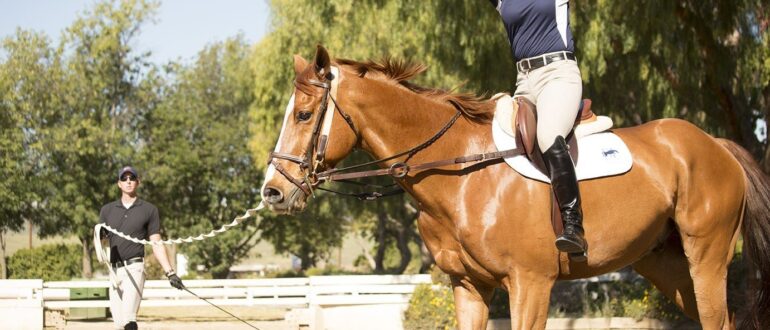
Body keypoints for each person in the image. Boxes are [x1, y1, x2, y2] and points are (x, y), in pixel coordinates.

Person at [487, 0, 587, 258]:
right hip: (524, 82)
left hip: (558, 74)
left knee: (548, 135)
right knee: (495, 137)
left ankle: (573, 224)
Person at [99, 166, 184, 330]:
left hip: (135, 267)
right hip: (114, 271)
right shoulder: (107, 210)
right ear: (119, 183)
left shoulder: (149, 210)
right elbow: (100, 243)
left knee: (128, 319)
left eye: (132, 178)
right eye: (124, 178)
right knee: (118, 324)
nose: (128, 181)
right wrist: (101, 236)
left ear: (138, 182)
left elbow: (156, 242)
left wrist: (170, 272)